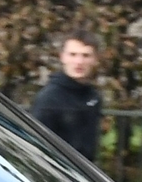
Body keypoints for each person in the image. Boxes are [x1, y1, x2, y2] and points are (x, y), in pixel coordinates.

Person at [29, 33, 103, 161]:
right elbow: (36, 147)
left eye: (86, 55)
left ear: (95, 59)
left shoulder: (93, 96)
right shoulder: (49, 98)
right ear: (62, 57)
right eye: (73, 55)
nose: (79, 62)